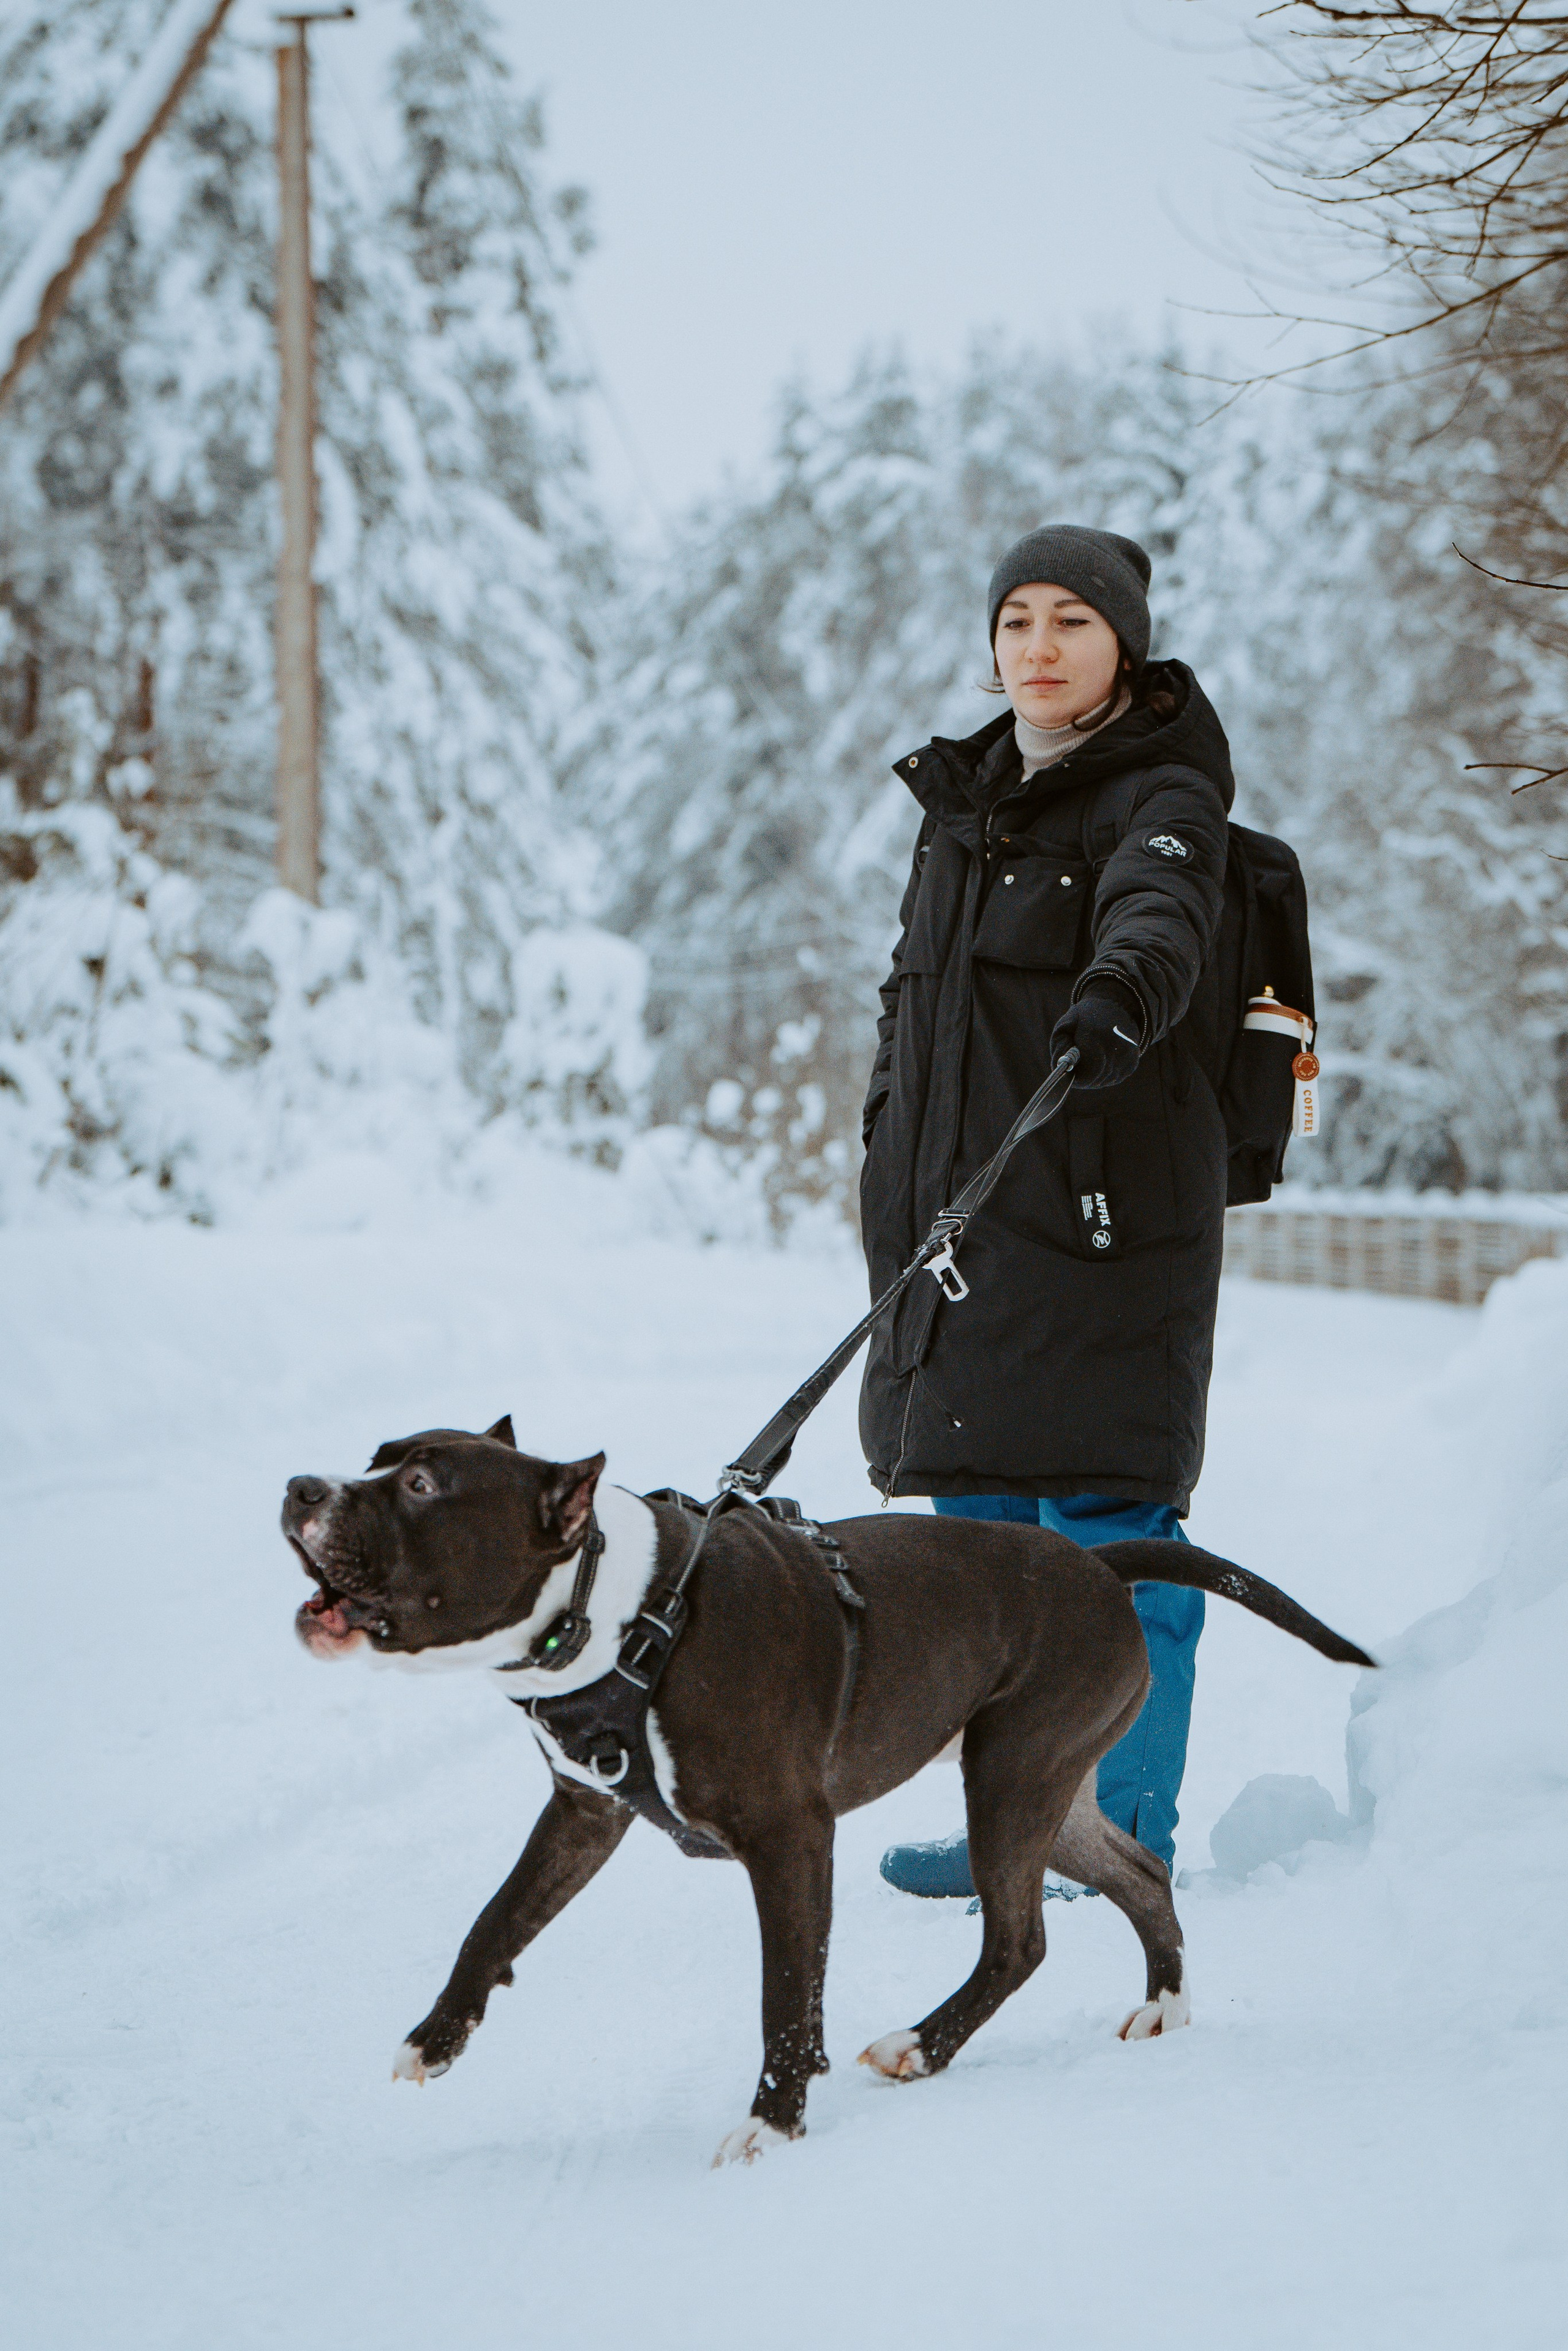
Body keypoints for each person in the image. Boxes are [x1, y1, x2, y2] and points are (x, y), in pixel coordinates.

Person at [859, 524, 1232, 1898]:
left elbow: (1160, 916)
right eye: (1015, 619)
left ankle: (1113, 1832)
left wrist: (1120, 990)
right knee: (974, 1558)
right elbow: (914, 1001)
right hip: (958, 1233)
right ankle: (1004, 1830)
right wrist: (882, 1142)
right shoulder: (963, 808)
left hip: (1095, 1223)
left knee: (1108, 1532)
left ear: (1120, 641)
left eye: (1069, 619)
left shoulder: (1164, 792)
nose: (1038, 646)